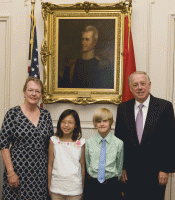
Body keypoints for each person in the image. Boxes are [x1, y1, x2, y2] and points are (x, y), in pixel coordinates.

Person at [115, 71, 175, 200]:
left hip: (156, 173)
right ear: (131, 88)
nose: (139, 87)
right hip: (130, 173)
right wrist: (122, 167)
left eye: (142, 83)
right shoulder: (123, 108)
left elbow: (170, 140)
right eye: (135, 85)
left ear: (149, 85)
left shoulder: (165, 107)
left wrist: (165, 169)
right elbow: (119, 139)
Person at [0, 77, 54, 199]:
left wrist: (50, 176)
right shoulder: (13, 114)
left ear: (41, 95)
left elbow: (50, 145)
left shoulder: (46, 115)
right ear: (24, 92)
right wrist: (10, 173)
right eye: (30, 90)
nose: (33, 94)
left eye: (37, 91)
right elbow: (3, 145)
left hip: (40, 174)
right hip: (17, 172)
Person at [85, 108, 123, 200]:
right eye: (98, 121)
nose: (102, 124)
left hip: (111, 185)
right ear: (95, 124)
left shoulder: (118, 143)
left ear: (110, 122)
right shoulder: (89, 142)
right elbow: (88, 163)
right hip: (93, 185)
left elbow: (119, 166)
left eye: (105, 121)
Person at [48, 109, 85, 200]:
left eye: (70, 122)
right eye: (63, 122)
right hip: (56, 186)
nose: (66, 125)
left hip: (74, 188)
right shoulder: (54, 141)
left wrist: (82, 187)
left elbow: (82, 166)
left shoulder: (80, 143)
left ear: (76, 125)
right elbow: (50, 164)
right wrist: (49, 185)